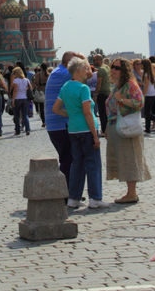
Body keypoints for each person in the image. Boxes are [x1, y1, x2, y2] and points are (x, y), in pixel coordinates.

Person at [52, 57, 108, 209]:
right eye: (85, 68)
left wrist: (70, 114)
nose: (87, 71)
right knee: (93, 164)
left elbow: (55, 108)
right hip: (87, 129)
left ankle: (73, 198)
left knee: (77, 164)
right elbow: (88, 113)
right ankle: (95, 198)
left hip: (73, 130)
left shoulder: (65, 87)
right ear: (78, 70)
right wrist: (95, 136)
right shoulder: (83, 89)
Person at [105, 59, 151, 204]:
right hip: (116, 125)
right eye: (112, 67)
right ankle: (129, 192)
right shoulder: (116, 86)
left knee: (129, 158)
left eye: (116, 68)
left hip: (127, 127)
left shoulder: (130, 85)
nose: (113, 70)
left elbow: (140, 102)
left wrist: (123, 100)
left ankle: (132, 193)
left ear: (124, 70)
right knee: (122, 159)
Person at [44, 52, 83, 184]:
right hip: (61, 124)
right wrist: (84, 60)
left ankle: (68, 192)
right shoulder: (64, 73)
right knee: (68, 159)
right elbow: (86, 77)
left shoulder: (57, 72)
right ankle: (66, 193)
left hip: (56, 124)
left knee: (68, 158)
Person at [138, 59, 155, 134]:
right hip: (152, 93)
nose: (140, 65)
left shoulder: (146, 74)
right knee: (148, 112)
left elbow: (146, 86)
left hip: (149, 94)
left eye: (141, 64)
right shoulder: (151, 73)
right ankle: (147, 128)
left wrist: (143, 95)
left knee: (148, 113)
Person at [10, 66, 31, 136]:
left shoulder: (16, 81)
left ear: (16, 73)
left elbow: (15, 91)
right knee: (25, 115)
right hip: (25, 99)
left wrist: (13, 100)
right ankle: (27, 129)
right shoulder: (26, 80)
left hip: (17, 99)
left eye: (14, 73)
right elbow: (30, 88)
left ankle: (17, 131)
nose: (13, 74)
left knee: (17, 115)